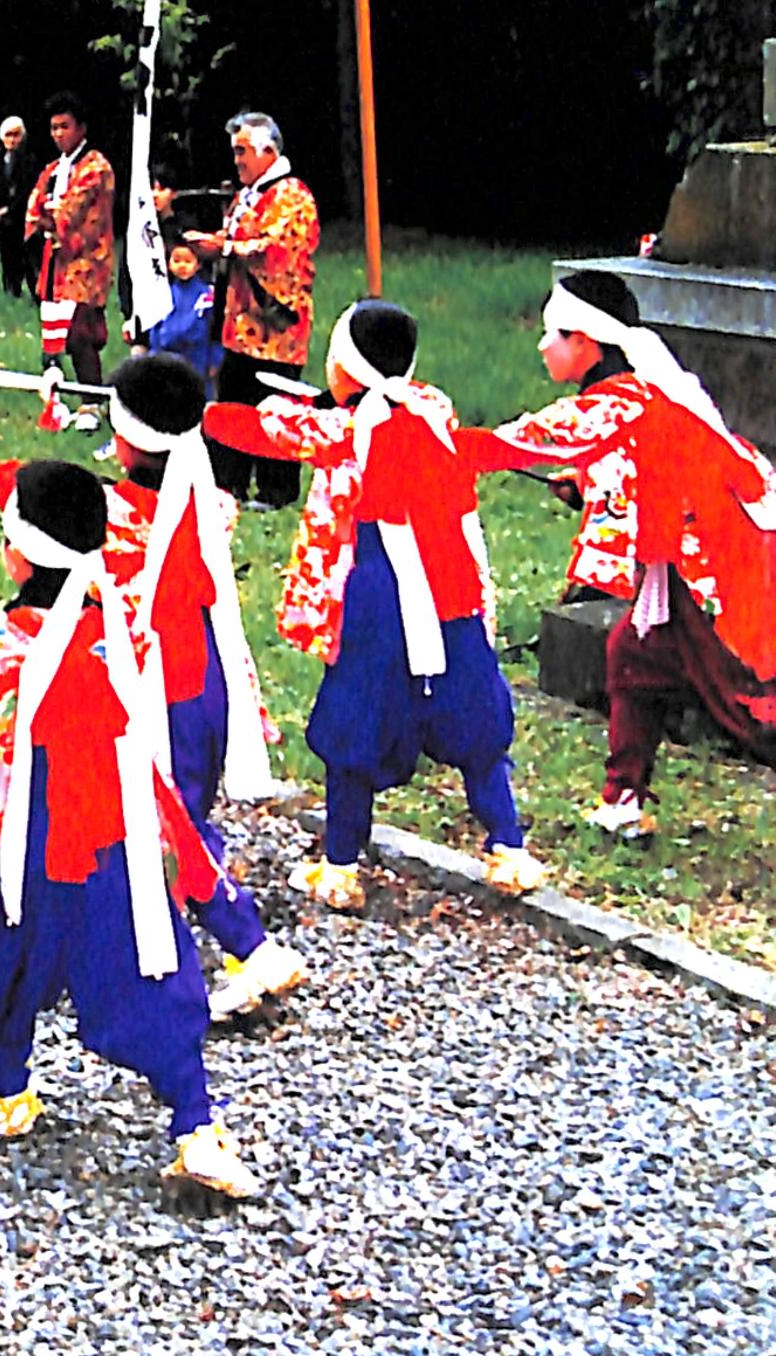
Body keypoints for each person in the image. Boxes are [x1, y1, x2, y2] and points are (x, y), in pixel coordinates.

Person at [0, 460, 259, 1196]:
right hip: (112, 828)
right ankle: (195, 1121)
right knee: (145, 958)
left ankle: (9, 1088)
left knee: (8, 950)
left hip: (23, 831)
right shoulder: (119, 621)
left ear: (18, 553)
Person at [204, 300, 548, 909]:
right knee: (473, 710)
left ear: (350, 367)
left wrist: (200, 413)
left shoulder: (344, 430)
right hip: (452, 587)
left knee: (356, 718)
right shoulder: (433, 409)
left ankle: (339, 865)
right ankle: (508, 846)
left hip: (379, 591)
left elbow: (260, 430)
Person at [470, 271, 776, 834]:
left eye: (552, 335)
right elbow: (640, 473)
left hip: (711, 562)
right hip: (692, 558)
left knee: (749, 703)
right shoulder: (642, 392)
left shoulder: (612, 404)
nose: (541, 346)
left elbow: (522, 440)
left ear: (584, 343)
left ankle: (624, 796)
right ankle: (622, 801)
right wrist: (586, 487)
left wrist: (430, 445)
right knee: (633, 659)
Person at [99, 354, 308, 1019]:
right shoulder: (209, 502)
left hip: (162, 694)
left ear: (127, 436)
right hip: (209, 684)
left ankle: (250, 945)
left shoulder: (115, 515)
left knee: (171, 826)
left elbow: (56, 507)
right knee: (178, 818)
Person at [185, 111, 320, 509]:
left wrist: (223, 248)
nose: (237, 160)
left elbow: (276, 251)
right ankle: (229, 483)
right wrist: (211, 242)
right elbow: (238, 237)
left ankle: (277, 491)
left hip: (275, 328)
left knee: (275, 403)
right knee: (236, 402)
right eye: (235, 152)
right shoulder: (252, 194)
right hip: (239, 326)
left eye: (242, 151)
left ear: (268, 150)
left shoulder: (293, 196)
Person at [25, 91, 118, 415]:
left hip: (88, 260)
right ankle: (66, 397)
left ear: (81, 128)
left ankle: (92, 403)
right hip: (57, 260)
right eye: (54, 128)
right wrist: (43, 218)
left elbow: (74, 211)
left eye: (65, 126)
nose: (59, 134)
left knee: (82, 331)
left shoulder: (96, 167)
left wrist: (52, 217)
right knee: (57, 332)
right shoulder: (53, 169)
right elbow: (35, 205)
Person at [139, 231, 223, 397]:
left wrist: (215, 358)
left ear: (198, 264)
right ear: (168, 263)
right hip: (166, 355)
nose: (182, 266)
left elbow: (216, 329)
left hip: (197, 357)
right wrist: (153, 354)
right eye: (177, 260)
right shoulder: (162, 292)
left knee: (195, 396)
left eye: (188, 261)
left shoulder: (207, 296)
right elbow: (155, 325)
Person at [0, 115, 35, 299]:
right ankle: (10, 289)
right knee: (7, 254)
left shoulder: (29, 160)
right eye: (8, 135)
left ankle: (33, 290)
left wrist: (11, 209)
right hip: (3, 219)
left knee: (27, 256)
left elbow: (28, 188)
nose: (12, 140)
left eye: (16, 135)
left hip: (22, 215)